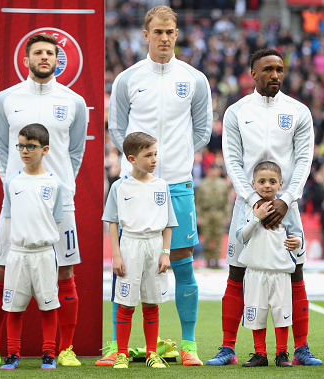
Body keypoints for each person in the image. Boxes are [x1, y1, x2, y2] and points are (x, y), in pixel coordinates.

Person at [0, 33, 87, 368]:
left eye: (50, 53)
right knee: (0, 271)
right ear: (26, 59)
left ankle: (64, 349)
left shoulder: (74, 101)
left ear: (57, 60)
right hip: (16, 202)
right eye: (37, 52)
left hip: (60, 202)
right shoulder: (6, 99)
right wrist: (12, 183)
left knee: (65, 273)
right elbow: (2, 148)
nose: (44, 57)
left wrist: (63, 184)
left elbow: (75, 151)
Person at [107, 5, 212, 366]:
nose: (164, 38)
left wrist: (175, 160)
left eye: (170, 32)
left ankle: (188, 343)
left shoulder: (195, 78)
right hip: (133, 186)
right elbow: (118, 131)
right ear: (145, 35)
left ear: (177, 34)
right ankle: (117, 346)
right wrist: (140, 166)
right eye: (158, 32)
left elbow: (202, 130)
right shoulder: (128, 79)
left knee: (182, 260)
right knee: (125, 262)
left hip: (178, 182)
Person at [207, 48, 321, 366]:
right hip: (247, 206)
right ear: (253, 74)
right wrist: (255, 201)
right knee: (236, 272)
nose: (275, 75)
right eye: (268, 69)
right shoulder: (236, 112)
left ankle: (300, 349)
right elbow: (232, 159)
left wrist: (285, 200)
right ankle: (228, 348)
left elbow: (303, 160)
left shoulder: (299, 111)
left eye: (280, 69)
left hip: (289, 206)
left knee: (295, 273)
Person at [102, 132, 177, 369]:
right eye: (149, 155)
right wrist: (116, 255)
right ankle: (121, 353)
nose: (155, 159)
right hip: (130, 245)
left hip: (154, 245)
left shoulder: (161, 185)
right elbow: (112, 222)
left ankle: (152, 353)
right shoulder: (119, 186)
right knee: (126, 303)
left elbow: (168, 223)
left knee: (151, 303)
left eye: (156, 154)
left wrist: (165, 252)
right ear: (132, 158)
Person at [0, 123, 64, 370]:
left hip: (44, 254)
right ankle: (12, 354)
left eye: (30, 146)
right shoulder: (13, 182)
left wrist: (44, 240)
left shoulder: (54, 183)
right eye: (21, 146)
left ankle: (49, 354)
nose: (24, 151)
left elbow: (57, 220)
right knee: (14, 307)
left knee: (49, 306)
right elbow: (7, 218)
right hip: (17, 254)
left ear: (45, 149)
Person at [237, 161, 302, 367]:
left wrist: (297, 242)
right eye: (262, 181)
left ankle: (282, 354)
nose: (267, 185)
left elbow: (297, 235)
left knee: (281, 312)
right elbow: (241, 236)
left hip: (280, 270)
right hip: (255, 270)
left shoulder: (286, 208)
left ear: (280, 183)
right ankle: (260, 354)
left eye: (272, 181)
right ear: (253, 183)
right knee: (256, 311)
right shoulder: (248, 208)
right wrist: (256, 219)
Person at [196, 163, 231, 268]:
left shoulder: (223, 184)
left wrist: (226, 216)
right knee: (206, 237)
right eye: (213, 170)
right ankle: (207, 260)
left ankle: (216, 261)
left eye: (216, 170)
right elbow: (198, 202)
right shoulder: (203, 184)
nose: (214, 172)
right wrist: (199, 216)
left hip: (219, 213)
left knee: (218, 238)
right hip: (206, 213)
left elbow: (227, 202)